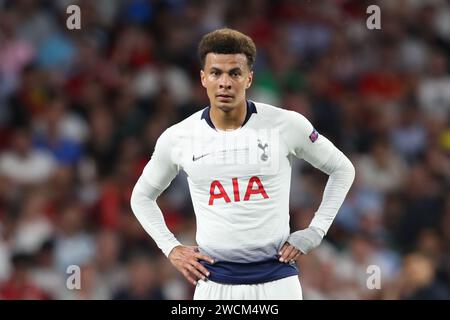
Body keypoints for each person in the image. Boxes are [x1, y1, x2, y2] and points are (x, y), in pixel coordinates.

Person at [130, 28, 355, 300]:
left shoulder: (285, 124)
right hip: (215, 283)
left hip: (277, 280)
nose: (224, 82)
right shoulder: (179, 137)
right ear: (203, 78)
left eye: (234, 73)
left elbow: (343, 169)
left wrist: (316, 231)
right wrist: (171, 248)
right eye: (216, 73)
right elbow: (141, 197)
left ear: (249, 78)